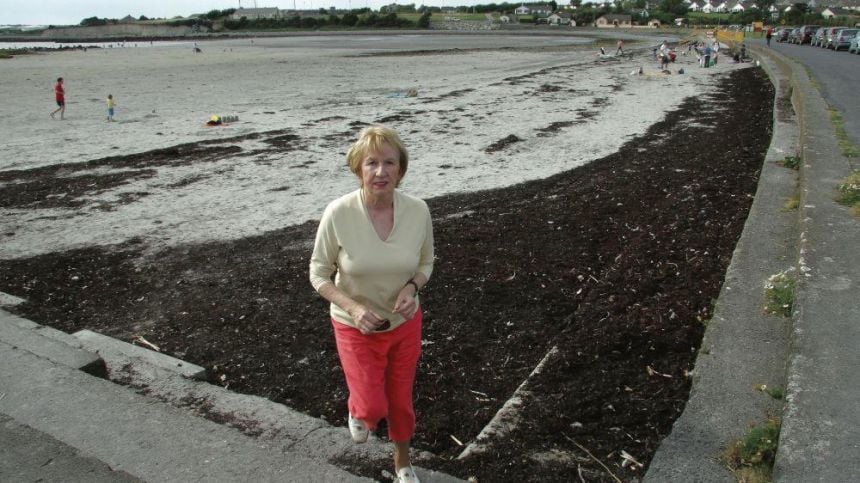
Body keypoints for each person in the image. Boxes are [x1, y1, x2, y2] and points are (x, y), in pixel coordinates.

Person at [309, 126, 434, 483]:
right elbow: (318, 274)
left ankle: (402, 464)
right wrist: (354, 308)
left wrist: (412, 287)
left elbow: (426, 262)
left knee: (400, 401)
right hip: (356, 326)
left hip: (404, 324)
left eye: (389, 163)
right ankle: (358, 409)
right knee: (372, 409)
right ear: (358, 169)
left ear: (401, 169)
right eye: (372, 163)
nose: (381, 172)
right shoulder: (338, 213)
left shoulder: (418, 211)